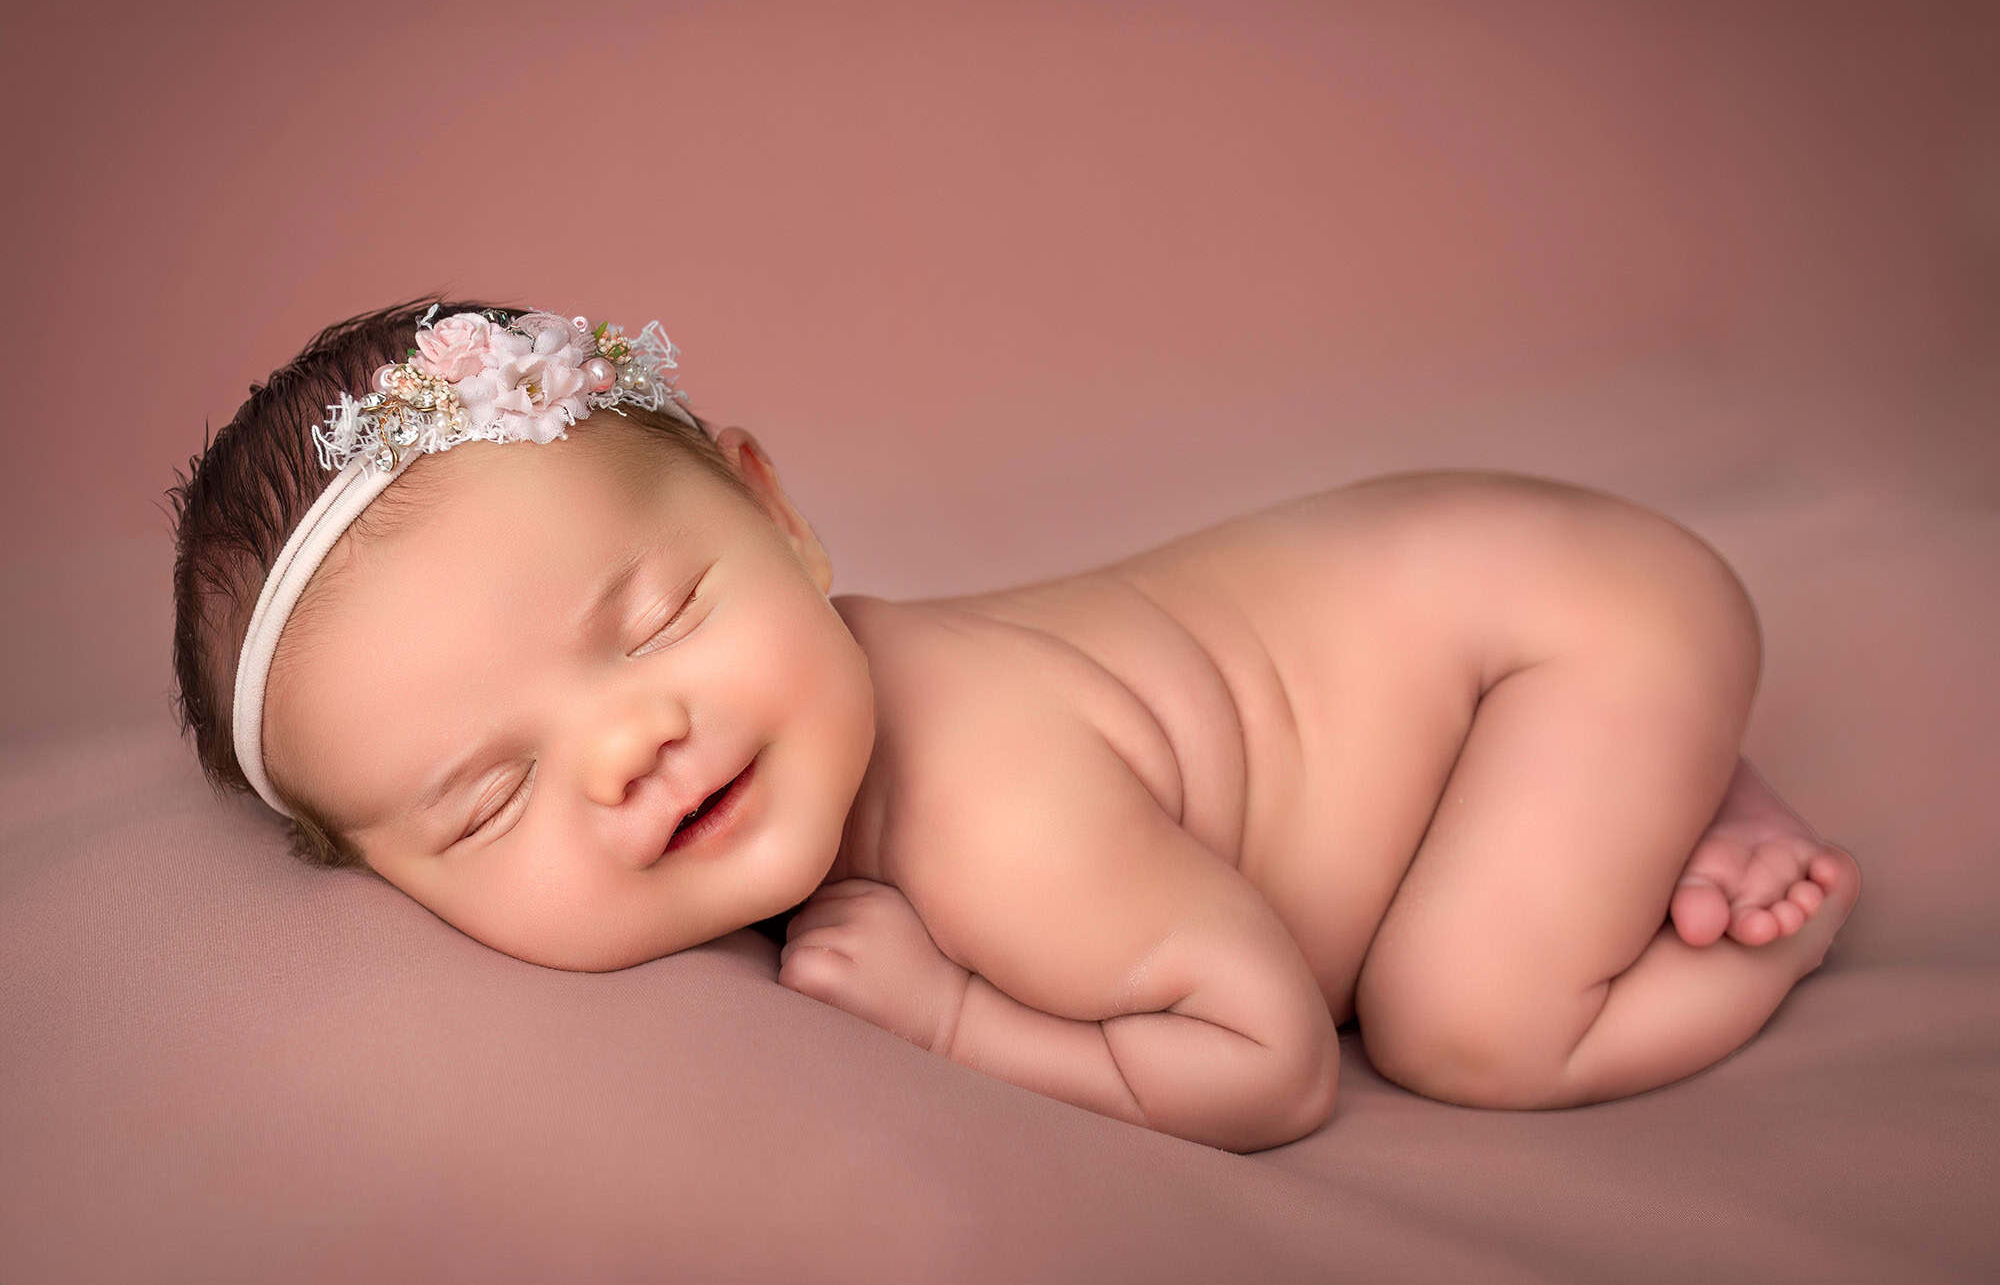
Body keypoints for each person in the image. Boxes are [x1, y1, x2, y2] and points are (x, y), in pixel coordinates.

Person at [167, 296, 1861, 1153]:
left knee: (1459, 1020)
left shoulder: (987, 804)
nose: (631, 745)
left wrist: (962, 1021)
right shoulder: (807, 759)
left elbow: (1270, 1060)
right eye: (487, 798)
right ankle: (1636, 790)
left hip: (1556, 630)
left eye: (661, 619)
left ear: (782, 517)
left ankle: (1753, 889)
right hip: (1450, 620)